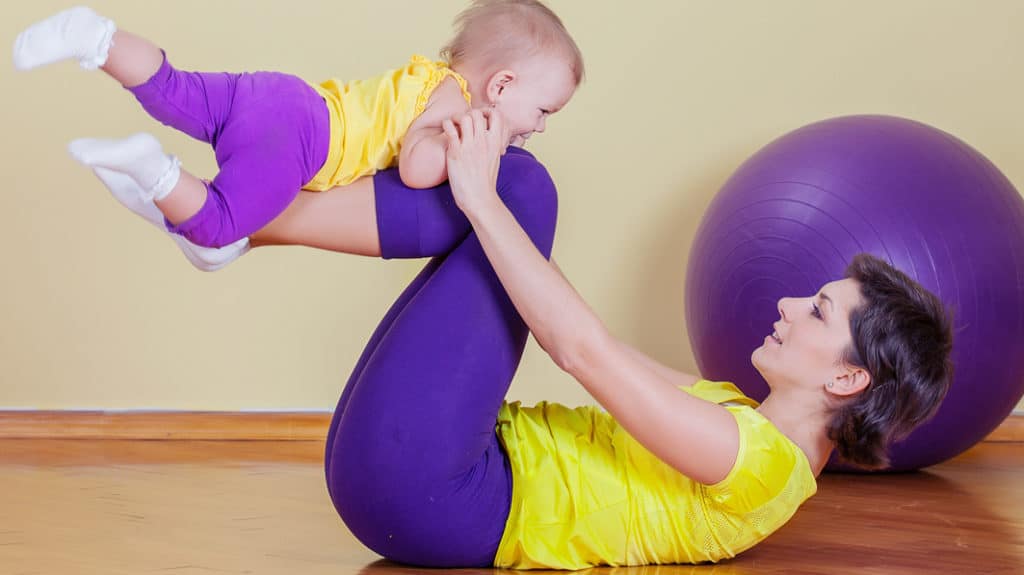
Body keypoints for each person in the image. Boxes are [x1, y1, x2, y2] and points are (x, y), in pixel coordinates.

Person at [78, 109, 955, 569]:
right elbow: (594, 336)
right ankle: (229, 226)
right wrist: (484, 202)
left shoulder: (754, 461)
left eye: (820, 310)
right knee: (509, 200)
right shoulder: (745, 428)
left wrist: (485, 195)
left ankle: (232, 224)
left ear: (846, 379)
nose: (792, 301)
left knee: (519, 192)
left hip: (437, 492)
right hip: (422, 477)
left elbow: (581, 351)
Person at [12, 0, 582, 269]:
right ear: (501, 85)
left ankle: (96, 38)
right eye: (543, 110)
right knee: (216, 228)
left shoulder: (433, 76)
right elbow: (415, 167)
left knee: (173, 87)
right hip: (302, 142)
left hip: (284, 95)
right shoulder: (454, 103)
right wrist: (470, 148)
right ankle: (151, 167)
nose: (539, 126)